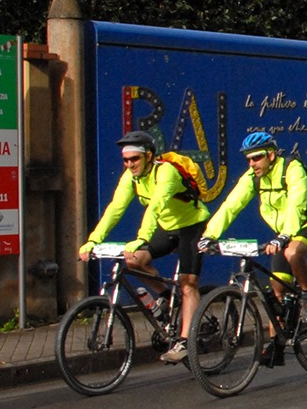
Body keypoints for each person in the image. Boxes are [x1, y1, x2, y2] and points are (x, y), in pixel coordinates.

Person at [79, 129, 209, 364]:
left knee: (188, 283)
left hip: (193, 225)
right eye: (126, 160)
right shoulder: (131, 178)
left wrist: (141, 237)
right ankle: (167, 297)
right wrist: (93, 239)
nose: (129, 164)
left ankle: (184, 341)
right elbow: (115, 208)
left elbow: (155, 206)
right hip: (167, 226)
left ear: (149, 156)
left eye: (134, 159)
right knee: (134, 260)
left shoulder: (166, 172)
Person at [201, 131, 307, 337]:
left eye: (256, 158)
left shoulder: (291, 169)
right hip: (282, 234)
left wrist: (285, 235)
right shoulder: (252, 178)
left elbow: (297, 203)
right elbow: (231, 206)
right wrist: (209, 235)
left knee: (292, 253)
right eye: (248, 159)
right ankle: (275, 344)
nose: (252, 164)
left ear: (271, 155)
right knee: (277, 291)